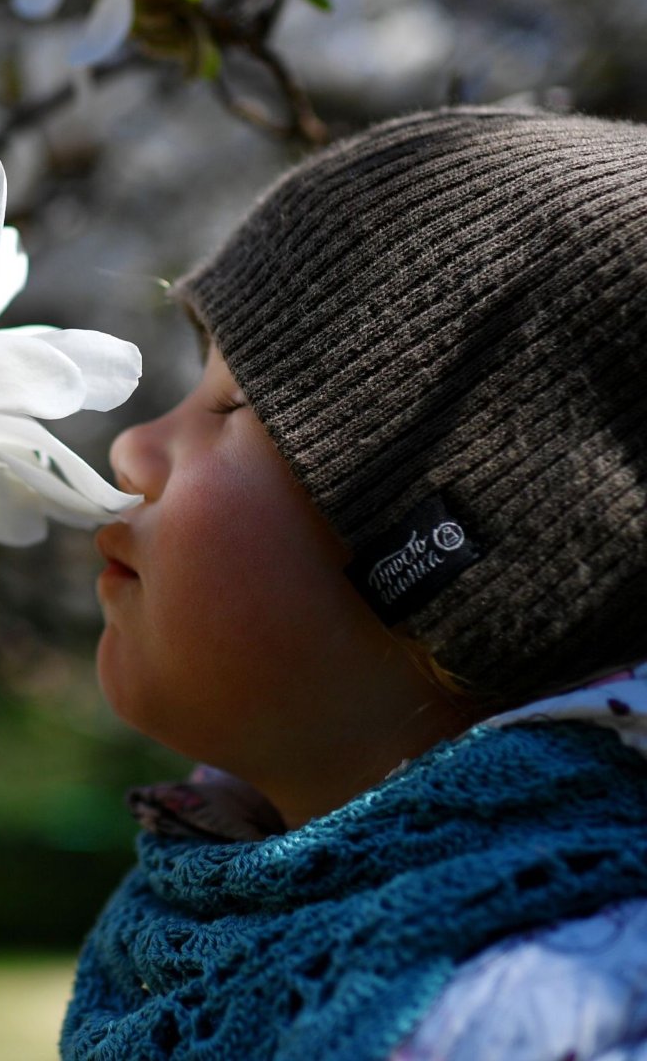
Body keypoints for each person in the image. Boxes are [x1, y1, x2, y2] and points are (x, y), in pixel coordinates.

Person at [61, 107, 647, 1061]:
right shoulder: (203, 915)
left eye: (233, 405)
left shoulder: (558, 1008)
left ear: (441, 565)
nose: (133, 447)